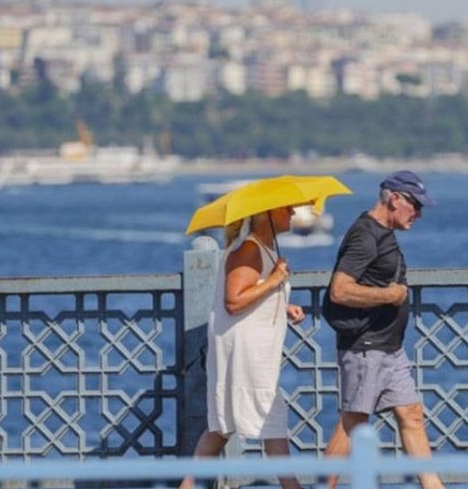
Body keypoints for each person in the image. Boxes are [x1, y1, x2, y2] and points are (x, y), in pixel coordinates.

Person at [321, 170, 444, 489]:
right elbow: (340, 290)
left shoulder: (383, 233)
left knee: (411, 415)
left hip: (389, 347)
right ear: (395, 199)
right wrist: (388, 295)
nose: (418, 214)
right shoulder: (365, 235)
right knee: (352, 424)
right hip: (365, 347)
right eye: (415, 206)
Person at [179, 204, 306, 489]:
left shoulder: (263, 247)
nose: (294, 214)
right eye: (288, 210)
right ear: (268, 214)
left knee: (222, 425)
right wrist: (274, 280)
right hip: (246, 351)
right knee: (268, 417)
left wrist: (285, 305)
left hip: (253, 348)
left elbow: (253, 293)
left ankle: (186, 486)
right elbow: (234, 301)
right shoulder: (249, 249)